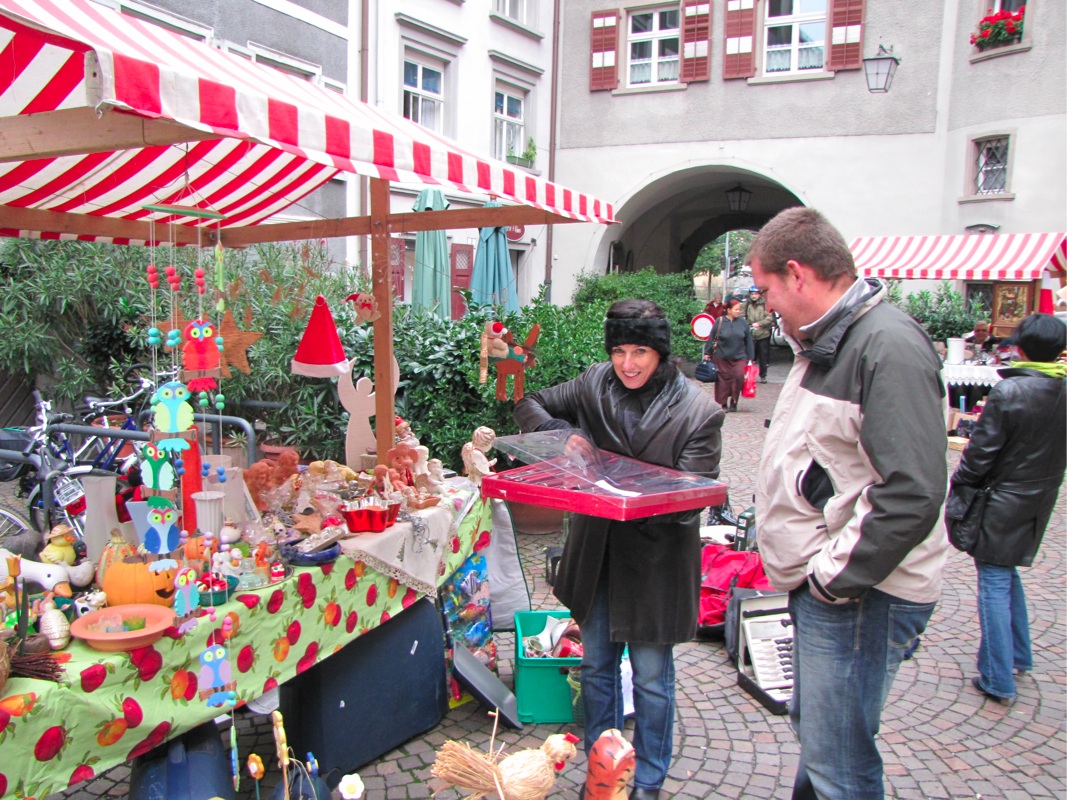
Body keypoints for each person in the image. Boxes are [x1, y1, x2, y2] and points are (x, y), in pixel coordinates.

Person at [749, 208, 949, 800]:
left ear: (797, 274)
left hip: (861, 595)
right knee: (824, 744)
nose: (767, 306)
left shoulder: (885, 345)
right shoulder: (833, 339)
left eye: (766, 290)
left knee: (839, 762)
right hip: (845, 591)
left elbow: (912, 490)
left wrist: (829, 580)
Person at [514, 299, 723, 800]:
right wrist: (562, 435)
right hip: (598, 557)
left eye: (640, 352)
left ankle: (647, 782)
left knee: (651, 678)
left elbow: (693, 498)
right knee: (596, 670)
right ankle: (602, 774)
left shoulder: (699, 411)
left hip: (655, 564)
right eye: (619, 351)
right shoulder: (593, 382)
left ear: (661, 353)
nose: (627, 364)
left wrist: (631, 496)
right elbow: (529, 402)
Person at [948, 313, 1066, 705]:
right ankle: (1016, 656)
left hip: (1002, 496)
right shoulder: (1059, 386)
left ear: (1021, 347)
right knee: (1004, 570)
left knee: (994, 578)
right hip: (1037, 493)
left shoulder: (1011, 391)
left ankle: (998, 677)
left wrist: (961, 483)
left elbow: (980, 455)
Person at [703, 297, 753, 412]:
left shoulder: (743, 323)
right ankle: (723, 403)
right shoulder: (720, 321)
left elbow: (748, 340)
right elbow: (712, 337)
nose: (738, 312)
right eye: (736, 309)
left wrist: (751, 357)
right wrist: (707, 352)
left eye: (739, 309)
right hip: (722, 356)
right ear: (729, 310)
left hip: (739, 356)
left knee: (739, 377)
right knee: (723, 381)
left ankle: (734, 400)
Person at [743, 285, 773, 382]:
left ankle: (763, 376)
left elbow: (769, 317)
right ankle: (748, 375)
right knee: (749, 356)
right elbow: (741, 314)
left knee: (763, 356)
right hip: (751, 333)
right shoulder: (747, 304)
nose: (753, 296)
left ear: (759, 294)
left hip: (763, 333)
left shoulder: (765, 304)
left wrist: (759, 324)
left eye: (755, 294)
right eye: (752, 294)